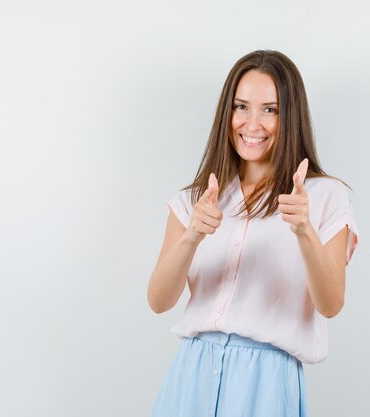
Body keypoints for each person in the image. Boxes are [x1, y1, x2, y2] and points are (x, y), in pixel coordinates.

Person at [147, 49, 359, 417]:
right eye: (241, 106)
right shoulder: (196, 199)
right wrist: (192, 236)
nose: (252, 123)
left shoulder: (323, 197)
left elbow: (330, 303)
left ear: (289, 116)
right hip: (191, 372)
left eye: (270, 109)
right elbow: (158, 300)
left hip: (266, 379)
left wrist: (303, 230)